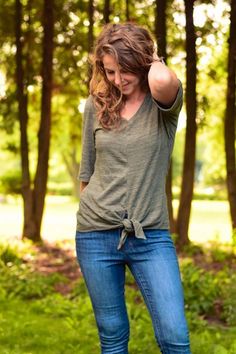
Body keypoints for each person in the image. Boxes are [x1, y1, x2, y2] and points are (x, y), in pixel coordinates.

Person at [75, 22, 191, 354]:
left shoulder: (163, 106)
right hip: (95, 235)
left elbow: (164, 79)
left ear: (141, 62)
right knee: (112, 337)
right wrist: (88, 219)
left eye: (124, 69)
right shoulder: (94, 106)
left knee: (174, 337)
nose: (117, 79)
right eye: (109, 71)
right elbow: (87, 171)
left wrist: (150, 56)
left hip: (150, 236)